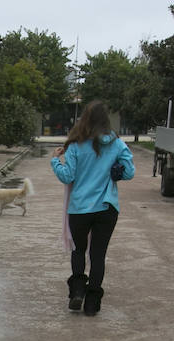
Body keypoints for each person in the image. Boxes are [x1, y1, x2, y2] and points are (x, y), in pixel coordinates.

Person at [50, 101, 135, 316]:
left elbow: (67, 176)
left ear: (84, 119)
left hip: (79, 209)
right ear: (105, 121)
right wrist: (114, 170)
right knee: (98, 255)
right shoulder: (117, 144)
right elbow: (129, 172)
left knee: (79, 250)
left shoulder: (76, 145)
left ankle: (77, 291)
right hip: (107, 208)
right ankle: (92, 304)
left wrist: (54, 161)